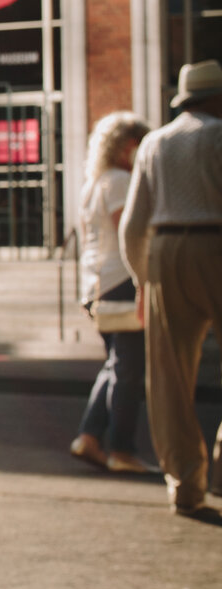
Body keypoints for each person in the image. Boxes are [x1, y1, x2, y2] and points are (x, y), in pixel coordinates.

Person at [122, 59, 222, 517]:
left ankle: (185, 482)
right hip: (216, 244)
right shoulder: (218, 135)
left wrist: (144, 280)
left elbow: (132, 224)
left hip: (164, 250)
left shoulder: (154, 143)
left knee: (169, 378)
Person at [73, 111, 152, 472]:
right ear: (124, 147)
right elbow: (129, 234)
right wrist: (144, 281)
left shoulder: (93, 183)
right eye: (137, 143)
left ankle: (90, 437)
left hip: (96, 283)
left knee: (114, 366)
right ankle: (122, 450)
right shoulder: (120, 181)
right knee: (129, 371)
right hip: (120, 280)